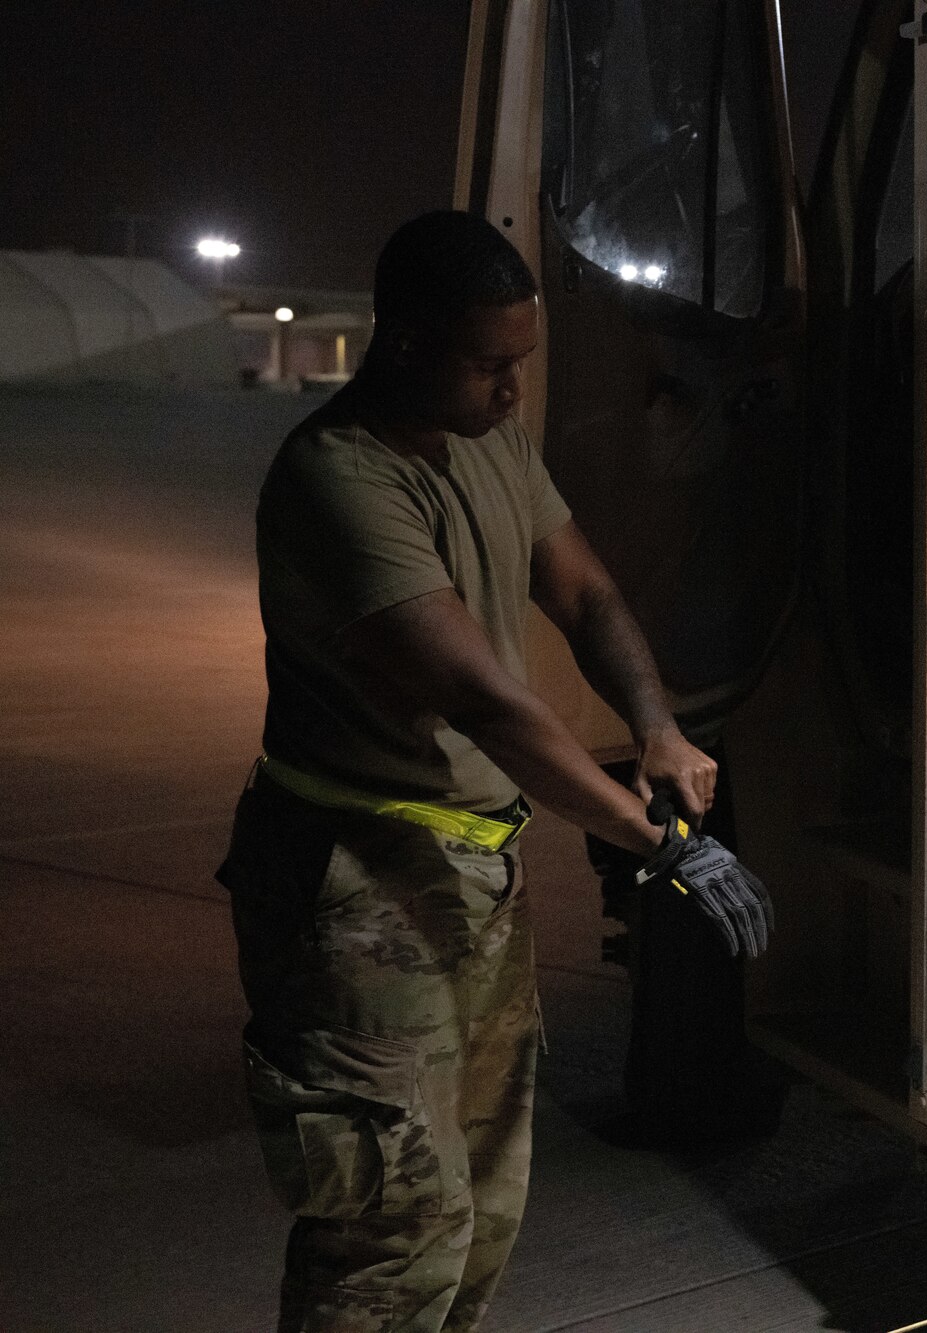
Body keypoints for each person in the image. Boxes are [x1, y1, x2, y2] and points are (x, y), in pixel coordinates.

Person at [216, 210, 749, 1331]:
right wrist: (655, 840)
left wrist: (653, 725)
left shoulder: (484, 438)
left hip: (471, 872)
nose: (513, 392)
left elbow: (590, 593)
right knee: (390, 1226)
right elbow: (484, 699)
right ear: (405, 342)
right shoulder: (338, 476)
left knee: (482, 1202)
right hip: (354, 886)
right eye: (491, 365)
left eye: (522, 364)